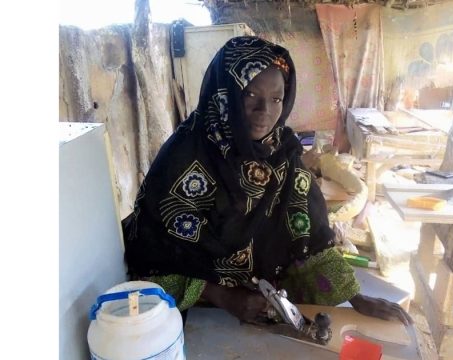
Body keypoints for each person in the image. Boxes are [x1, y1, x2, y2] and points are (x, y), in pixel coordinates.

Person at [122, 36, 411, 326]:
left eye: (276, 99)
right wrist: (222, 296)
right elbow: (150, 265)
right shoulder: (183, 160)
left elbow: (307, 238)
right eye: (250, 95)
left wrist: (355, 297)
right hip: (196, 313)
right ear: (225, 94)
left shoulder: (282, 155)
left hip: (267, 304)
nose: (265, 113)